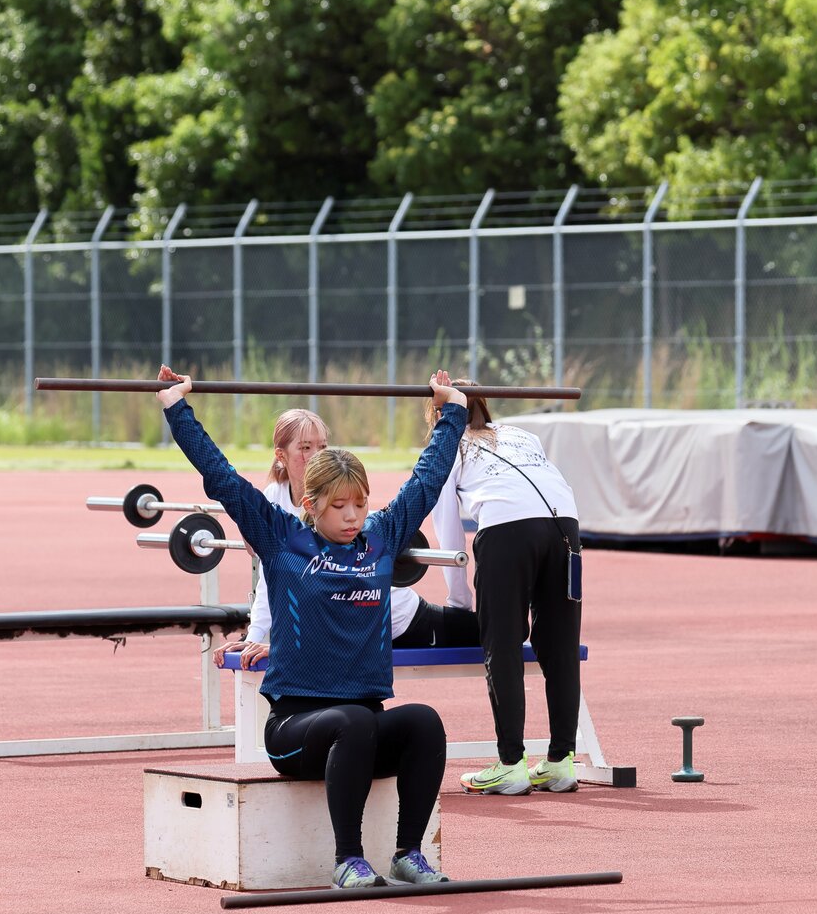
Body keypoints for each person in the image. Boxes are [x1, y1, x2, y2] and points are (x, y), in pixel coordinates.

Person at [158, 364, 470, 886]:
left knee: (423, 722)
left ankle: (408, 854)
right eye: (339, 506)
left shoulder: (379, 538)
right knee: (354, 720)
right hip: (295, 733)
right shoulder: (282, 539)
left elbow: (428, 479)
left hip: (360, 730)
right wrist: (177, 408)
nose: (352, 516)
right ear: (310, 504)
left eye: (360, 504)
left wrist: (452, 411)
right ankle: (347, 859)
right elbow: (222, 478)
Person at [214, 408, 478, 672]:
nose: (316, 455)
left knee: (494, 632)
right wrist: (254, 636)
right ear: (281, 455)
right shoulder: (274, 498)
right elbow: (270, 578)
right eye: (305, 448)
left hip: (401, 619)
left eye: (322, 446)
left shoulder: (343, 490)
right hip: (349, 631)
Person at [427, 382, 583, 796]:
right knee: (561, 646)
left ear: (439, 417)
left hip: (506, 529)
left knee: (503, 644)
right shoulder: (522, 434)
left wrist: (459, 601)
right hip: (565, 527)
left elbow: (448, 529)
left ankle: (511, 764)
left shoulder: (448, 446)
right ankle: (561, 762)